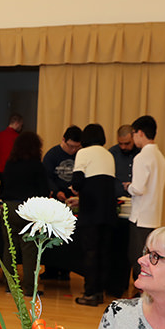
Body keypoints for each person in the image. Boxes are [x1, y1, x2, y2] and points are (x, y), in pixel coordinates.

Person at [71, 123, 116, 306]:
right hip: (108, 211)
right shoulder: (109, 155)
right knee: (104, 252)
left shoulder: (83, 153)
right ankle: (99, 292)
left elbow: (77, 182)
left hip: (91, 211)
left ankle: (89, 293)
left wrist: (75, 190)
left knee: (90, 252)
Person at [0, 131, 48, 294]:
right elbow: (44, 192)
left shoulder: (10, 164)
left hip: (9, 208)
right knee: (29, 250)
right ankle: (29, 288)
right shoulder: (37, 166)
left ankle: (10, 286)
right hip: (29, 209)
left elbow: (3, 187)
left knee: (9, 249)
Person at [125, 115, 165, 281]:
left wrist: (128, 186)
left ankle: (143, 292)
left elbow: (138, 188)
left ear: (140, 133)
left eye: (134, 134)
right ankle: (147, 291)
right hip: (154, 216)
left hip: (140, 217)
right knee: (150, 259)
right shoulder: (160, 157)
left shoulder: (141, 157)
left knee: (137, 258)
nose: (133, 138)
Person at [41, 125, 81, 280]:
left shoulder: (81, 155)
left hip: (74, 200)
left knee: (69, 237)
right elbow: (47, 177)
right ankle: (51, 269)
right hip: (56, 200)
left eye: (77, 147)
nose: (73, 150)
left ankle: (66, 270)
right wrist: (56, 191)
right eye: (71, 146)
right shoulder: (52, 154)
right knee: (52, 236)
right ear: (63, 140)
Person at [106, 124, 139, 298]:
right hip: (117, 207)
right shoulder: (112, 153)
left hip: (137, 207)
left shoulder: (141, 154)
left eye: (127, 143)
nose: (124, 147)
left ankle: (132, 284)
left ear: (133, 138)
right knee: (117, 249)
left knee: (132, 249)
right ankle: (115, 286)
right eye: (121, 143)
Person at [0, 113, 23, 180]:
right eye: (21, 125)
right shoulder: (18, 138)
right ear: (16, 123)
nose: (21, 128)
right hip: (13, 173)